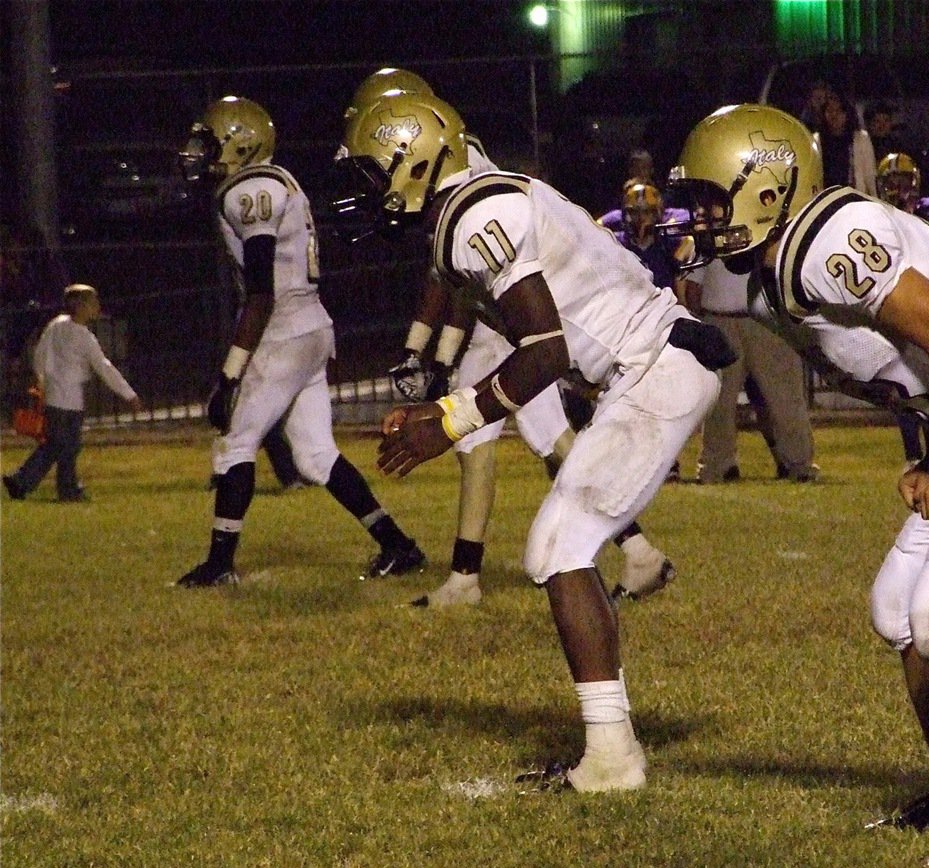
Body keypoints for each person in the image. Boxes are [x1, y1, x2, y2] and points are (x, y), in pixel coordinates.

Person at [669, 103, 929, 866]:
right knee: (897, 607)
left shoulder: (823, 244)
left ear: (766, 190)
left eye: (712, 198)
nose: (701, 218)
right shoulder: (773, 272)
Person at [334, 92, 728, 792]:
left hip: (655, 368)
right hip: (650, 364)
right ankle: (612, 744)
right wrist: (440, 399)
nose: (366, 193)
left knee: (556, 547)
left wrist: (449, 421)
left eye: (372, 173)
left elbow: (543, 351)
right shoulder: (474, 198)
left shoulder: (479, 213)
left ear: (414, 163)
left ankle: (612, 758)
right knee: (562, 543)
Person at [173, 96, 424, 587]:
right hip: (313, 324)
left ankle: (219, 565)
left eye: (207, 143)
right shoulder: (278, 179)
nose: (197, 154)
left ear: (238, 143)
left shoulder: (250, 190)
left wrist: (230, 374)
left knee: (235, 442)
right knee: (313, 455)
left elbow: (262, 293)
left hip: (283, 327)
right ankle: (398, 545)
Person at [680, 259, 817, 483]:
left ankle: (798, 463)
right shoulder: (710, 235)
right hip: (723, 319)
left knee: (784, 397)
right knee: (719, 402)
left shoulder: (763, 230)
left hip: (762, 319)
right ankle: (718, 464)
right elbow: (693, 285)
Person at [3, 283, 142, 502]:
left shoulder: (56, 325)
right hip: (70, 400)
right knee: (66, 446)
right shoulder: (84, 337)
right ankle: (58, 487)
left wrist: (41, 379)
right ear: (80, 306)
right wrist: (129, 394)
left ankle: (26, 481)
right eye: (93, 302)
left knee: (58, 444)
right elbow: (104, 367)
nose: (97, 307)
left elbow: (41, 352)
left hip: (55, 396)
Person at [876, 152, 929, 463]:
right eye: (892, 183)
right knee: (902, 384)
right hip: (895, 305)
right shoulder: (874, 217)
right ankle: (915, 455)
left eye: (904, 182)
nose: (899, 190)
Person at [813, 92, 877, 196]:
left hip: (855, 197)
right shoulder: (816, 140)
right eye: (830, 111)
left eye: (839, 111)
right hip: (826, 197)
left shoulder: (861, 139)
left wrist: (875, 199)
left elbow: (869, 174)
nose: (834, 115)